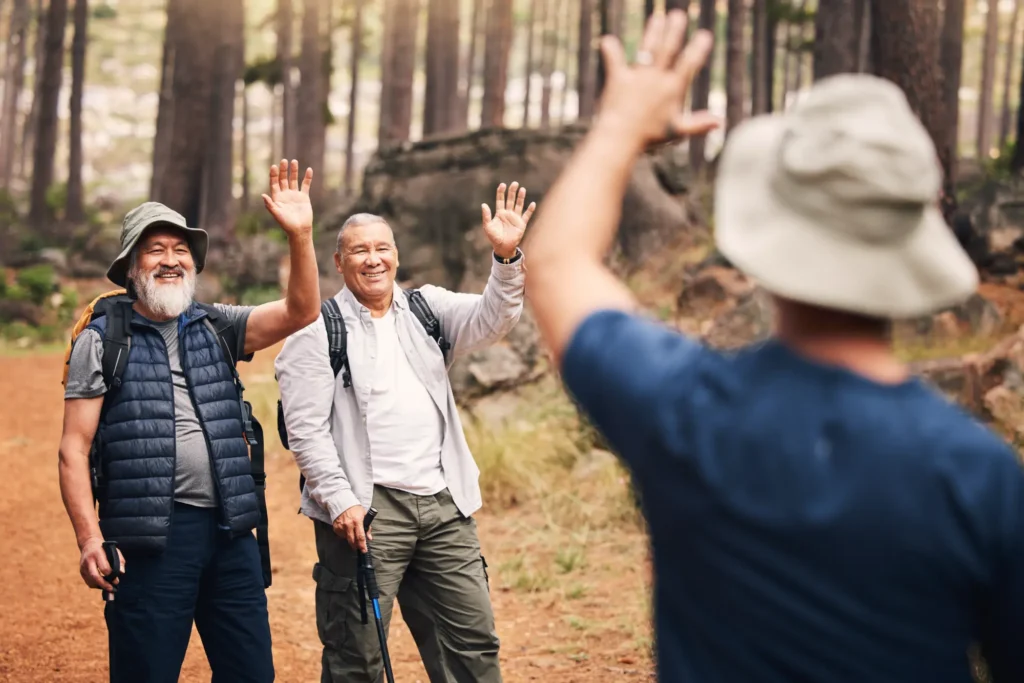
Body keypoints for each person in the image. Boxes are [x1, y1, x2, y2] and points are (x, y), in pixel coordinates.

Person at [523, 10, 1024, 683]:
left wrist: (621, 127)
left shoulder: (684, 412)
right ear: (911, 247)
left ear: (769, 242)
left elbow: (556, 265)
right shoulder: (981, 476)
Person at [58, 160, 322, 683]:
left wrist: (301, 236)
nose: (171, 260)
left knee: (251, 673)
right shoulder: (102, 339)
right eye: (155, 250)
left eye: (181, 250)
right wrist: (90, 540)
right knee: (147, 672)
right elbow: (73, 448)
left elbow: (301, 310)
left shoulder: (218, 325)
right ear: (132, 265)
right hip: (149, 541)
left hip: (231, 532)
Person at [274, 182, 534, 683]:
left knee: (472, 645)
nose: (373, 260)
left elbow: (493, 320)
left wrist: (505, 258)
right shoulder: (316, 330)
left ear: (396, 254)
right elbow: (305, 431)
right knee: (358, 655)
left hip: (443, 505)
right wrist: (339, 500)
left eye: (382, 248)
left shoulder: (427, 309)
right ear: (338, 262)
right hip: (364, 514)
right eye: (359, 251)